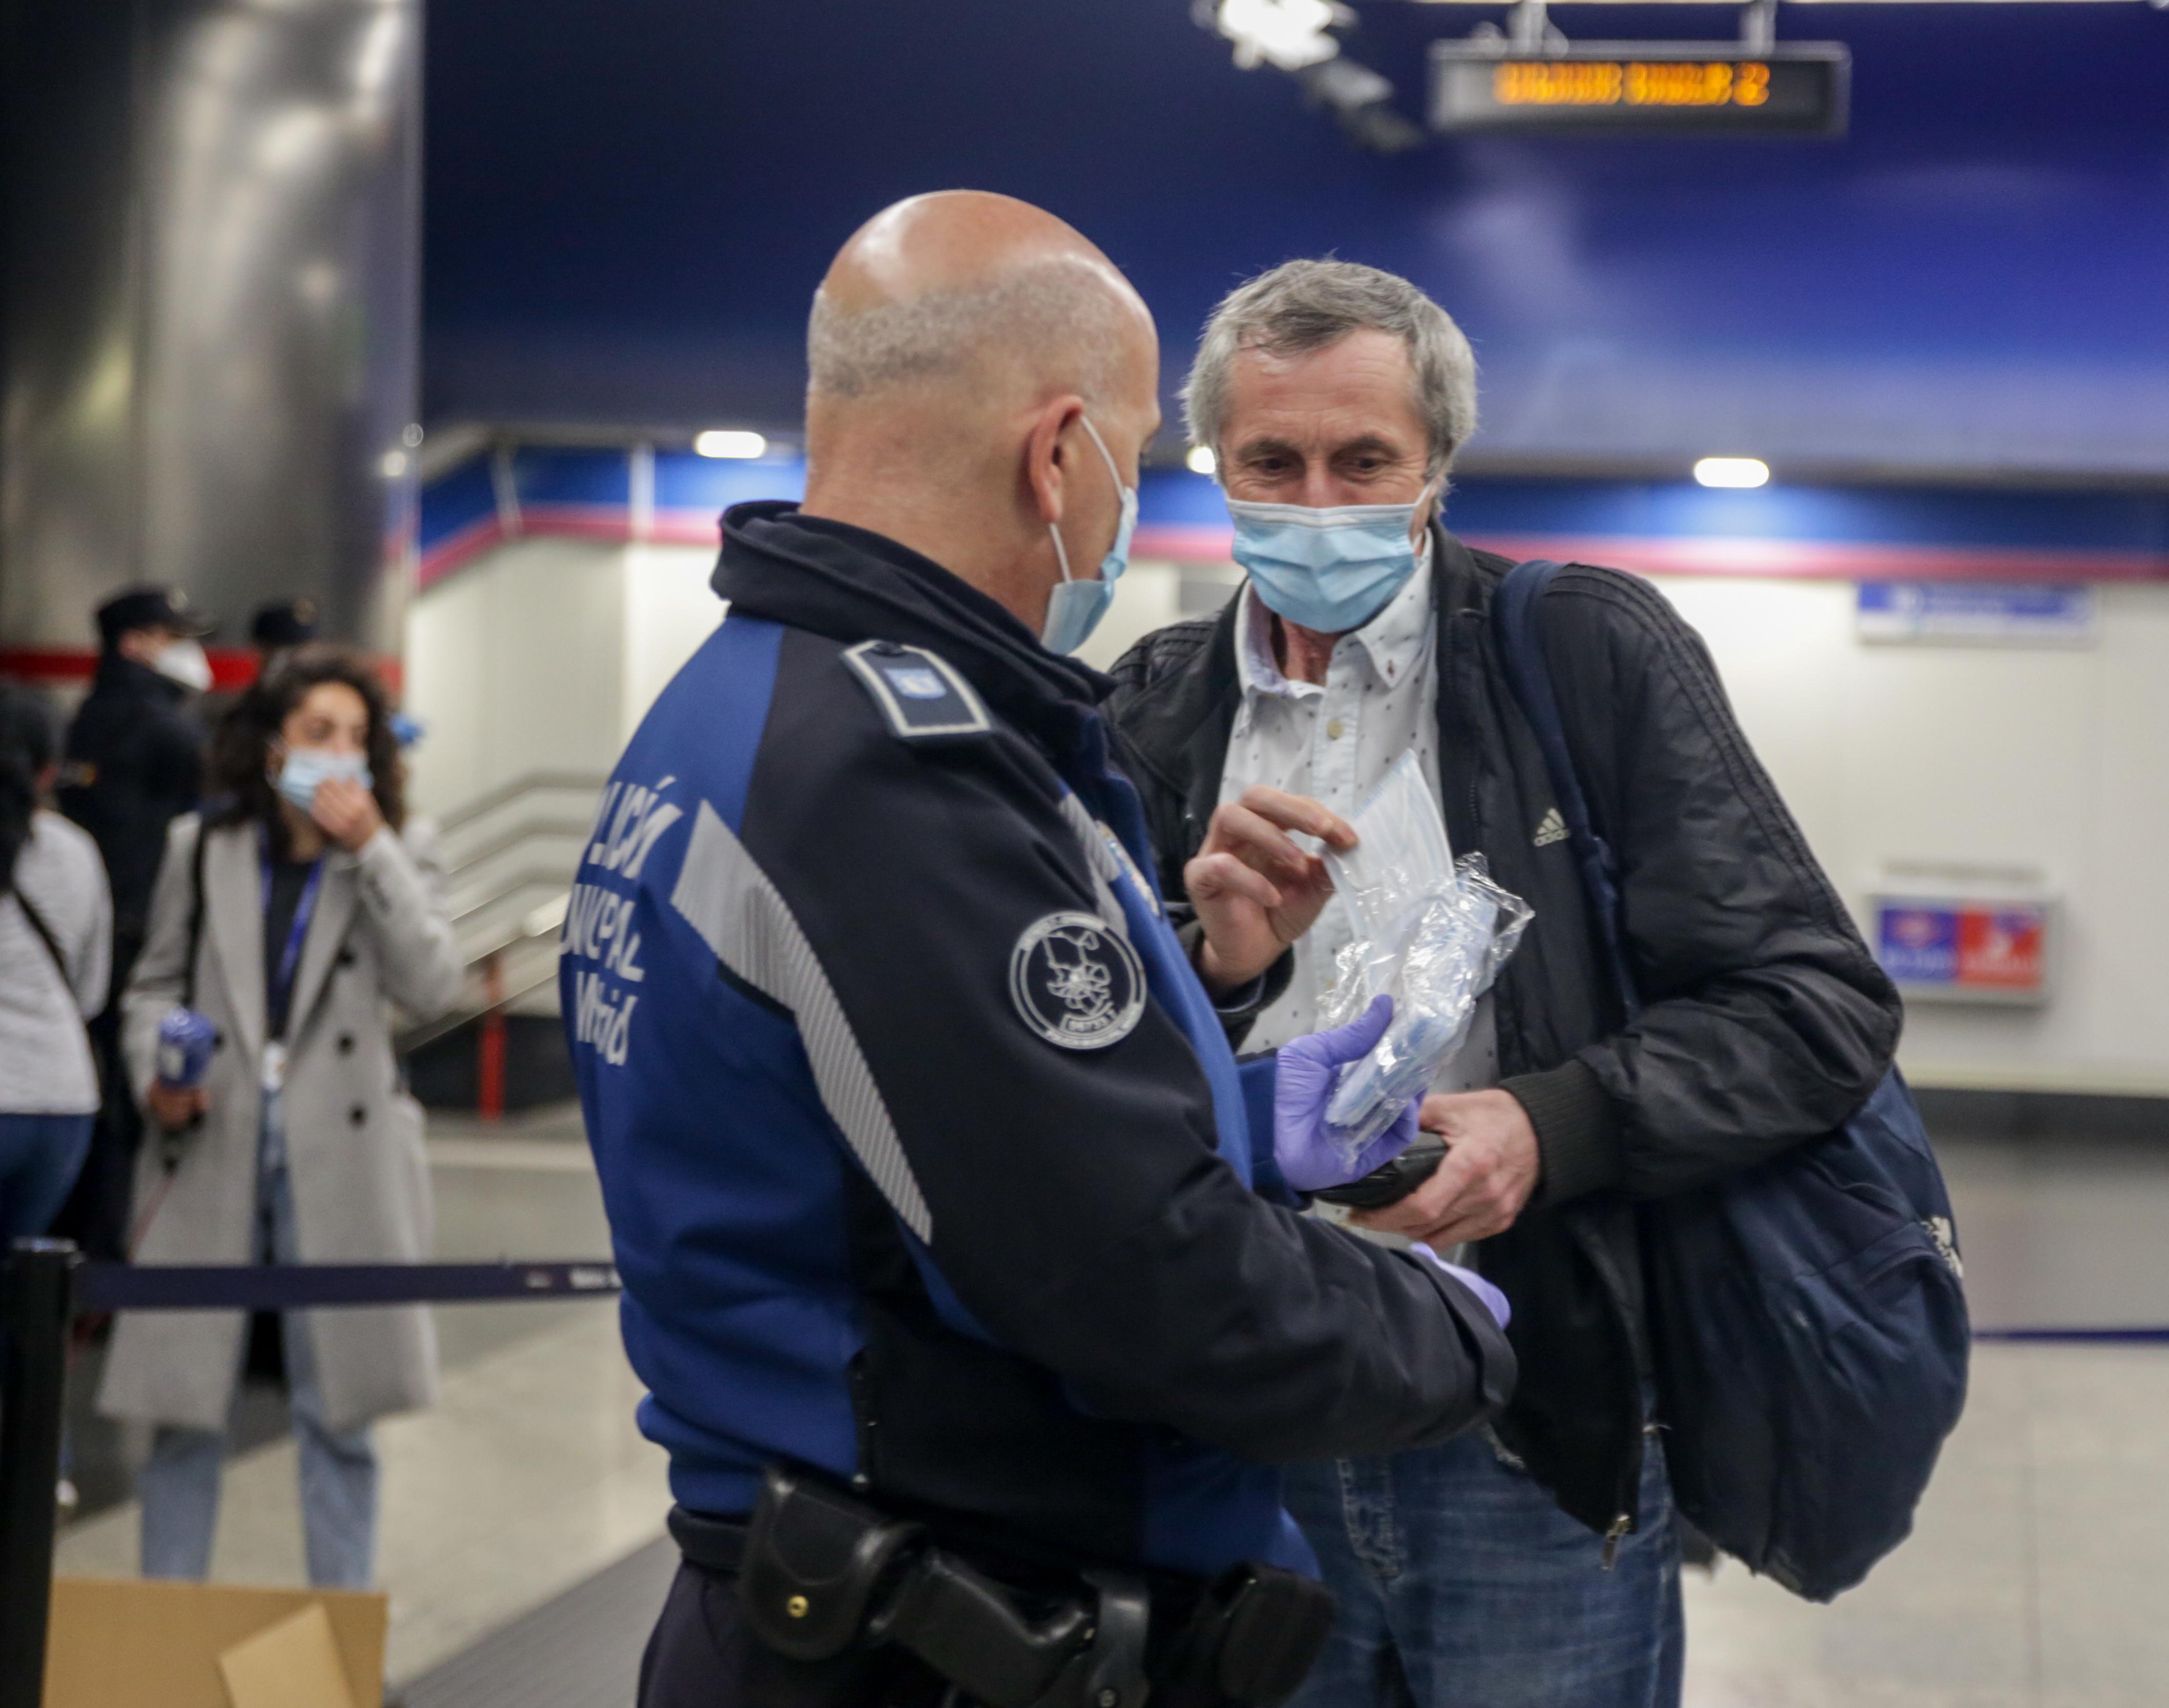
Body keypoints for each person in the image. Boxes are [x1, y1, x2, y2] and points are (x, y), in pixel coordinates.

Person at [567, 192, 1515, 1708]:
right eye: (1139, 455)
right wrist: (1446, 1329)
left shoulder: (736, 706)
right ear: (1056, 452)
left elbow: (920, 1141)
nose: (1129, 496)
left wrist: (1226, 1117)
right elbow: (1141, 1288)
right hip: (938, 1634)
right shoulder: (896, 773)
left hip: (835, 1595)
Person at [1108, 260, 1905, 1708]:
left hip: (1521, 1417)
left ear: (1435, 470)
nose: (1315, 500)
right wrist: (1222, 976)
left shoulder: (1581, 654)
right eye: (1270, 461)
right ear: (1212, 464)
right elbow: (1097, 1075)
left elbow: (1809, 1004)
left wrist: (1549, 1124)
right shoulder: (1148, 706)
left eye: (1364, 461)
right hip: (1241, 1417)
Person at [101, 643, 464, 1590]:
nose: (338, 754)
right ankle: (164, 1635)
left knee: (337, 1411)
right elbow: (150, 984)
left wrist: (370, 847)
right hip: (209, 1137)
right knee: (183, 1409)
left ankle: (338, 1652)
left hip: (339, 1150)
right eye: (317, 733)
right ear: (272, 748)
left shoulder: (399, 849)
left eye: (355, 736)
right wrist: (154, 1068)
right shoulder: (204, 845)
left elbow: (433, 985)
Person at [52, 584, 216, 1262]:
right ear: (136, 644)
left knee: (92, 1091)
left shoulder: (84, 718)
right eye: (172, 635)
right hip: (144, 941)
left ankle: (69, 1246)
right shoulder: (165, 727)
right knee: (129, 1099)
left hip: (83, 947)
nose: (190, 651)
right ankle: (112, 1254)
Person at [0, 684, 113, 1245]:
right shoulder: (77, 850)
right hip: (63, 1103)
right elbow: (90, 991)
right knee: (24, 1293)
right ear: (49, 771)